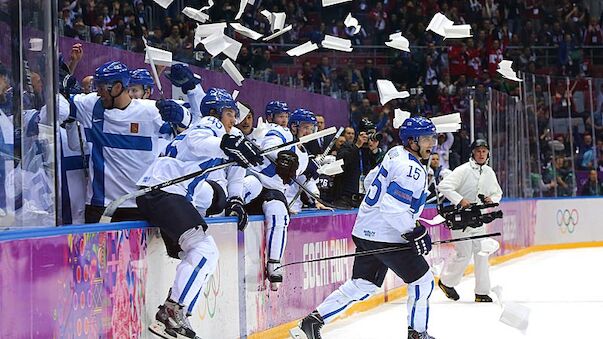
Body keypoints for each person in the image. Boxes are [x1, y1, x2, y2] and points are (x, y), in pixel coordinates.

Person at [292, 116, 438, 339]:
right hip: (388, 235)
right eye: (427, 138)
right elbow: (393, 210)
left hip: (365, 229)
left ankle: (312, 322)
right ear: (412, 141)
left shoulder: (394, 153)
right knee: (422, 280)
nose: (432, 143)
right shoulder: (411, 169)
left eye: (433, 138)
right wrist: (415, 230)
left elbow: (371, 181)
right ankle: (417, 333)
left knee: (363, 284)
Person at [136, 89, 263, 339]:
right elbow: (199, 142)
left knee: (202, 254)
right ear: (215, 112)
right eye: (229, 114)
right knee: (205, 250)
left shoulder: (227, 135)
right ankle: (171, 311)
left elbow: (236, 174)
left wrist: (236, 200)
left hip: (165, 193)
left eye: (235, 115)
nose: (233, 120)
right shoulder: (209, 124)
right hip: (164, 192)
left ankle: (177, 312)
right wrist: (225, 144)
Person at [64, 61, 192, 223]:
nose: (98, 93)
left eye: (102, 88)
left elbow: (187, 123)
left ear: (117, 88)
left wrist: (178, 114)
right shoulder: (91, 105)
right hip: (100, 206)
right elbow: (64, 104)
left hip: (140, 205)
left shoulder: (151, 111)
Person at [437, 139, 503, 302]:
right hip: (461, 219)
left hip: (478, 219)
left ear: (488, 154)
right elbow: (444, 186)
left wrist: (492, 199)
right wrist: (460, 200)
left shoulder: (489, 172)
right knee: (464, 254)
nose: (481, 154)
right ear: (473, 153)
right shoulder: (463, 170)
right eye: (478, 151)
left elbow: (497, 193)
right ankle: (446, 282)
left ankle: (481, 292)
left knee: (481, 254)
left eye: (484, 151)